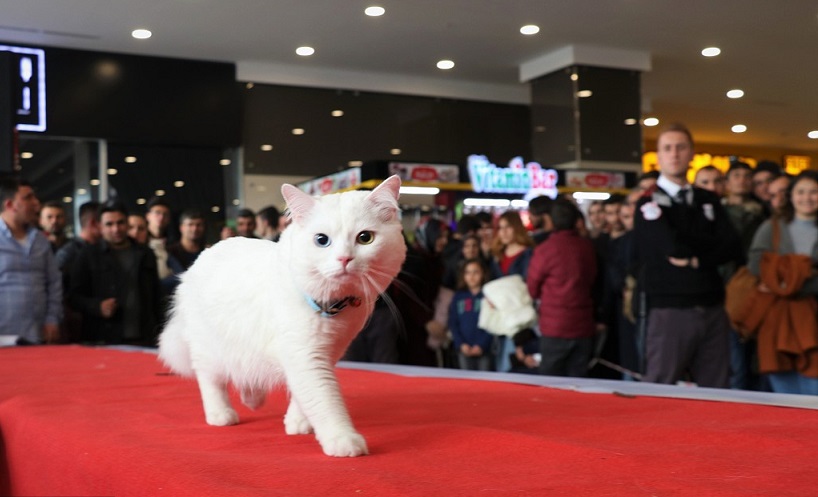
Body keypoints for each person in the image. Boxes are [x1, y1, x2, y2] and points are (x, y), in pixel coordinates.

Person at [631, 123, 741, 388]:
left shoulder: (708, 199)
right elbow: (672, 248)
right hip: (670, 308)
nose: (674, 154)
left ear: (692, 153)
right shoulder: (648, 202)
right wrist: (706, 245)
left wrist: (695, 258)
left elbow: (731, 246)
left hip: (713, 305)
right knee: (661, 385)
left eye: (680, 147)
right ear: (658, 155)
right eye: (667, 148)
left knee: (717, 388)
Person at [747, 170, 818, 395]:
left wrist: (790, 282)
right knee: (783, 389)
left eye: (814, 192)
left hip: (814, 315)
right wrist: (796, 276)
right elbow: (756, 263)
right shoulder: (773, 226)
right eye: (801, 192)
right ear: (791, 195)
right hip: (778, 318)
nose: (807, 198)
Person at [69, 201, 162, 346]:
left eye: (120, 223)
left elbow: (157, 296)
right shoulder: (88, 254)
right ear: (100, 226)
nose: (116, 229)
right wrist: (97, 306)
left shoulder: (145, 253)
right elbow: (73, 297)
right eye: (109, 224)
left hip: (144, 337)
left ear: (127, 223)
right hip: (103, 338)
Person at [527, 198, 597, 377]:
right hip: (583, 324)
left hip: (554, 326)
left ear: (551, 220)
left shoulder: (545, 250)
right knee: (578, 381)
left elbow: (532, 288)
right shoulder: (587, 247)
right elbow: (592, 280)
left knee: (550, 382)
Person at [0, 176, 62, 345]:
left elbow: (54, 282)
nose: (36, 203)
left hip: (38, 334)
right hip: (3, 337)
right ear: (10, 205)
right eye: (28, 198)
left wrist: (52, 318)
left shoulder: (40, 240)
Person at [489, 211, 534, 371]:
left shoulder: (528, 253)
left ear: (516, 228)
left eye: (508, 227)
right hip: (499, 316)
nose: (504, 232)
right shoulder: (496, 255)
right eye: (500, 228)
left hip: (520, 317)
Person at [448, 258, 495, 371]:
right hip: (464, 348)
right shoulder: (458, 296)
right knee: (466, 379)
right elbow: (453, 322)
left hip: (484, 349)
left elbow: (493, 322)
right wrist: (461, 344)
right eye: (468, 272)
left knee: (484, 379)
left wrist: (482, 345)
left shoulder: (489, 295)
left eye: (476, 272)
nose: (471, 276)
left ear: (483, 274)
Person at [145, 197, 174, 280]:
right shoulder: (140, 241)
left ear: (169, 219)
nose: (161, 217)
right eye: (157, 213)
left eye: (165, 214)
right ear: (148, 216)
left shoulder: (172, 244)